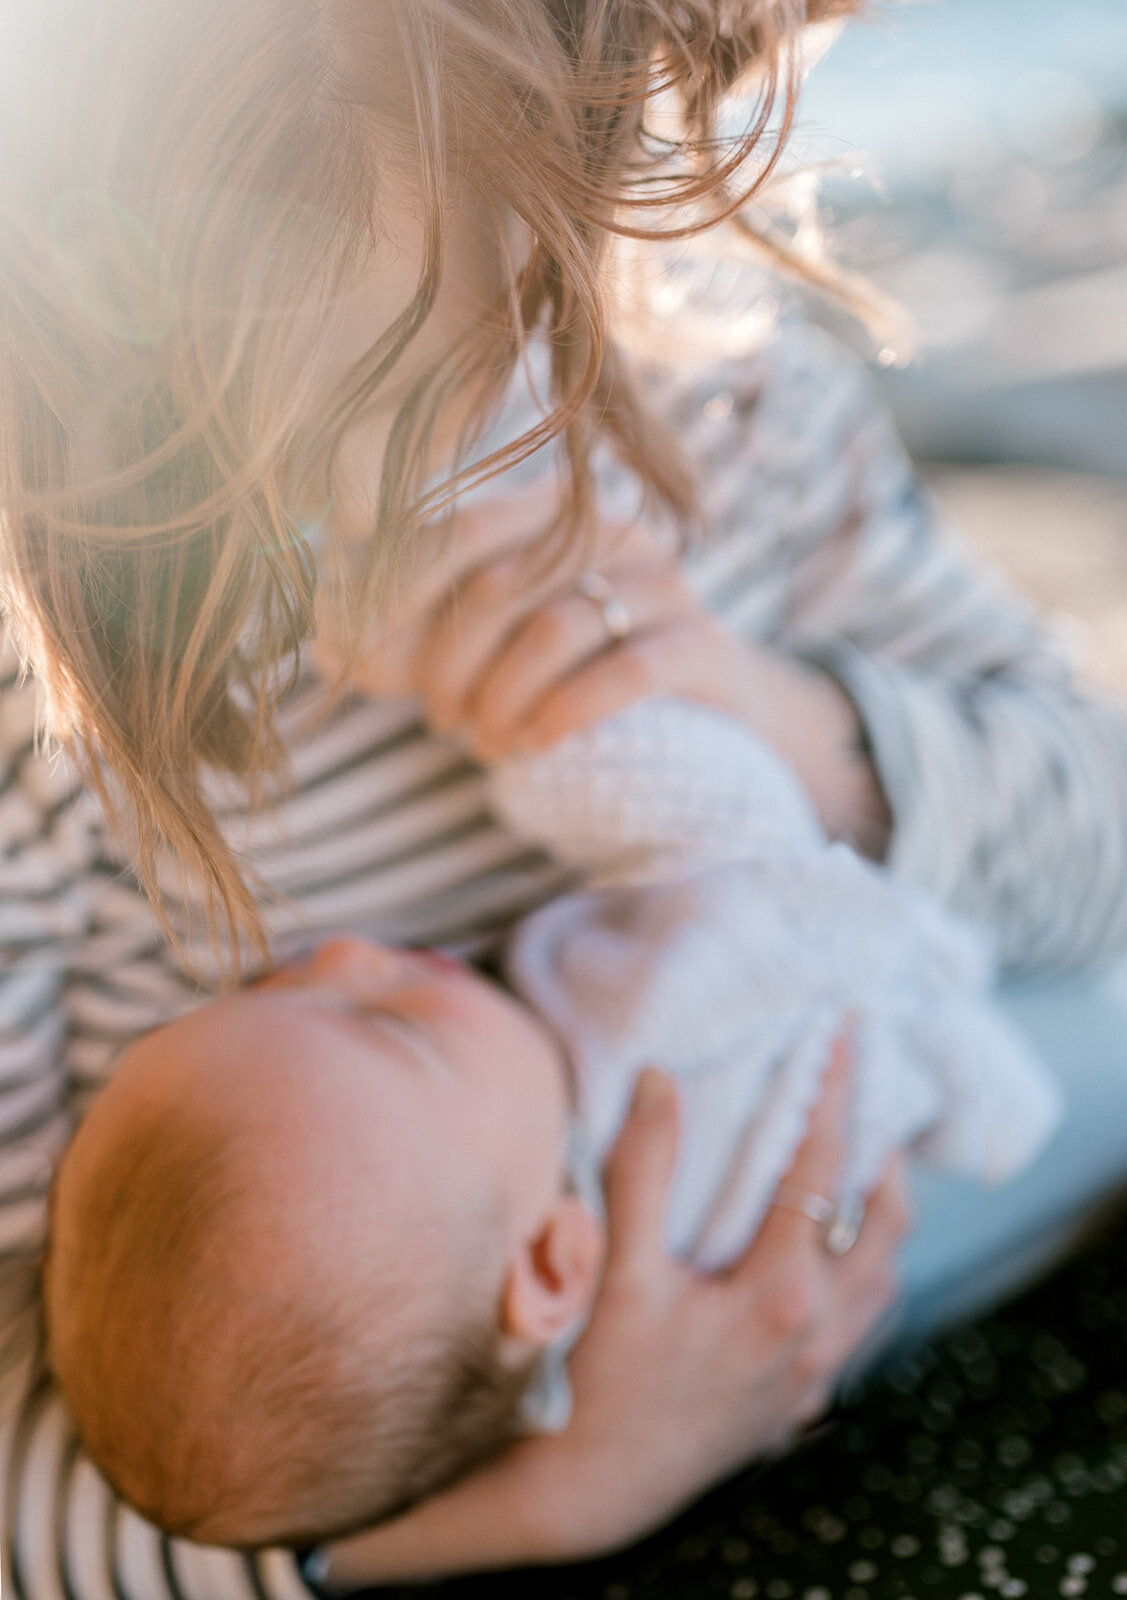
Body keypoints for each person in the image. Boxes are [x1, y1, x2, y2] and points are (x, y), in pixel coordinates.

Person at [4, 1, 1127, 1596]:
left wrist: (775, 725)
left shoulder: (721, 409)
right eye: (326, 427)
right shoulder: (52, 757)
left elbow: (1099, 841)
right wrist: (569, 1491)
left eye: (529, 323)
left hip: (951, 1207)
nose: (471, 463)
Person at [42, 691, 1062, 1558]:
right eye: (392, 1027)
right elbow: (768, 878)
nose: (347, 951)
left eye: (268, 983)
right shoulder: (636, 1029)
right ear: (548, 1265)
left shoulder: (456, 1265)